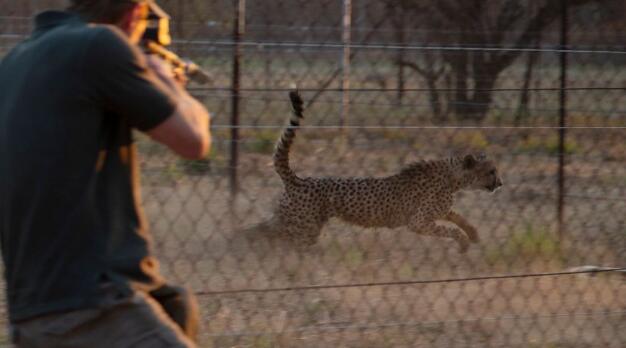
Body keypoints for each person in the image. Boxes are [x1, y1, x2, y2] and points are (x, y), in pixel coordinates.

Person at [0, 0, 210, 347]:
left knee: (174, 303)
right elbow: (194, 141)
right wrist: (165, 79)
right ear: (134, 15)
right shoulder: (100, 43)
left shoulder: (15, 62)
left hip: (33, 313)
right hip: (97, 307)